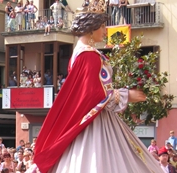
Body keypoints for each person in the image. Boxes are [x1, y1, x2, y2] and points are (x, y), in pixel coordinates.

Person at [33, 1, 163, 172]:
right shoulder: (89, 55)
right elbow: (93, 93)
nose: (104, 30)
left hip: (93, 118)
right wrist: (126, 96)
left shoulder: (79, 54)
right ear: (91, 28)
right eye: (102, 26)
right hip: (96, 120)